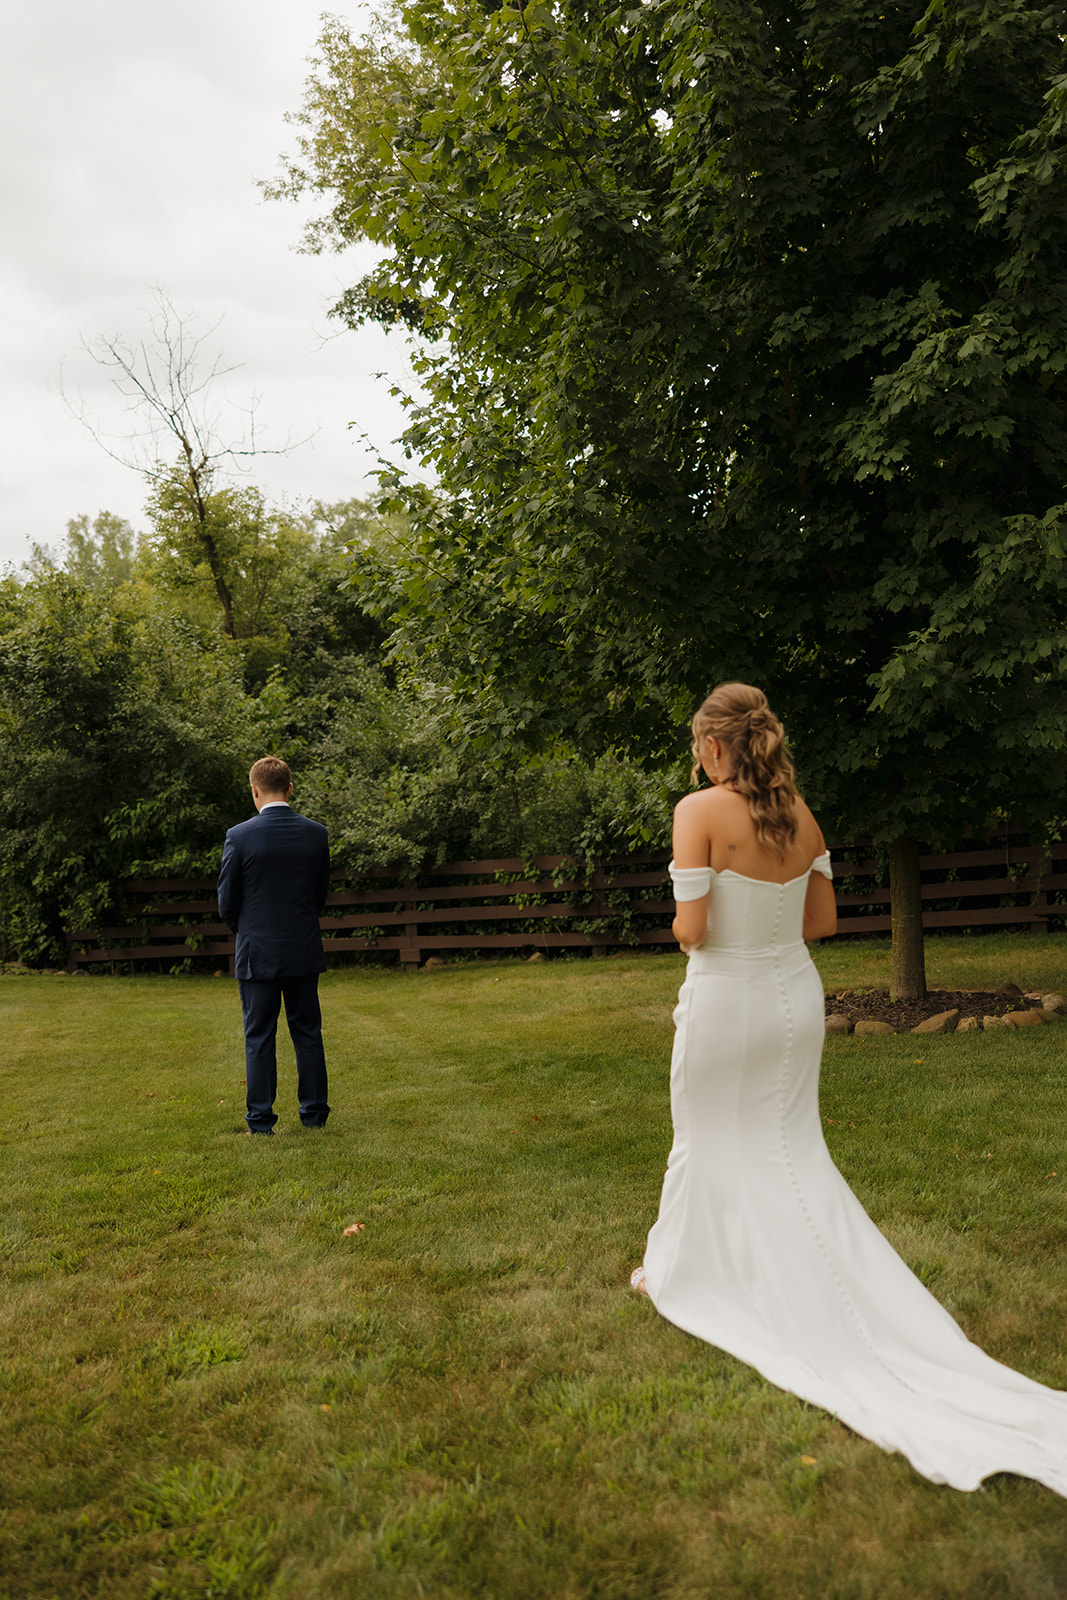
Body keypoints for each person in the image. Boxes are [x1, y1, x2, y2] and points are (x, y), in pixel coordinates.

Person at [633, 682, 1067, 1495]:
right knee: (789, 1149)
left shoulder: (698, 811)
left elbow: (690, 931)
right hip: (794, 998)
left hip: (727, 997)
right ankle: (734, 1265)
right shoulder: (799, 816)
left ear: (717, 746)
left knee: (703, 1135)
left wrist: (691, 920)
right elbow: (820, 923)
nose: (697, 758)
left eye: (699, 745)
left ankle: (683, 1270)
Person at [217, 756, 331, 1135]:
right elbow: (319, 896)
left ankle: (261, 1121)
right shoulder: (316, 834)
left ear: (254, 790)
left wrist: (248, 930)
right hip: (303, 949)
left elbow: (226, 902)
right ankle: (314, 1115)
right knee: (308, 1033)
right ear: (290, 789)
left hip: (257, 952)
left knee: (259, 1036)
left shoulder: (240, 836)